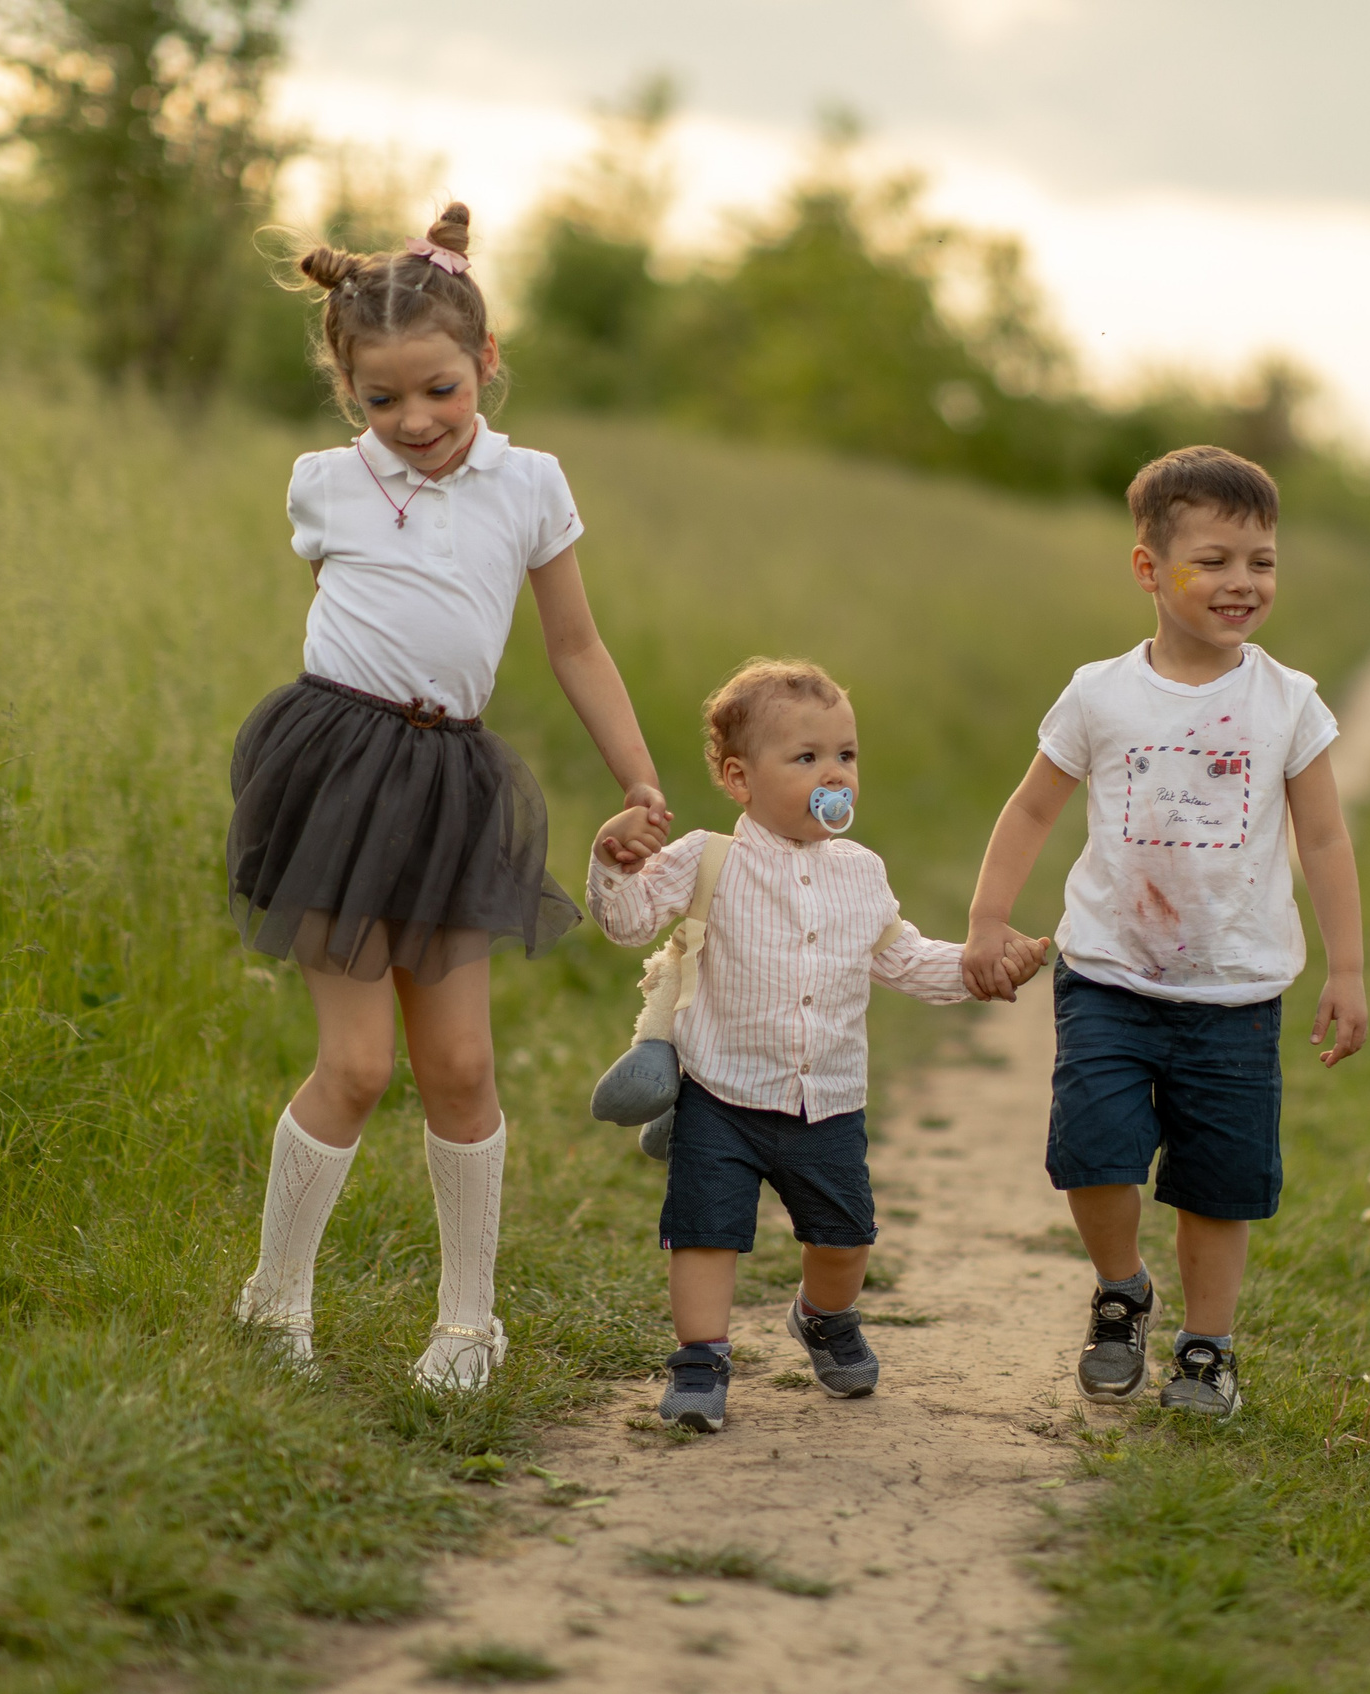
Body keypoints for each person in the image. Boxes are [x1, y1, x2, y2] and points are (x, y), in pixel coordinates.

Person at [227, 204, 671, 1391]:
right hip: (335, 773)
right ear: (347, 390)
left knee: (463, 1067)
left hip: (451, 780)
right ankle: (275, 1299)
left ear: (483, 364)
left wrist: (638, 772)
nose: (415, 420)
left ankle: (468, 1323)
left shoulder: (530, 484)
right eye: (383, 400)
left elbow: (575, 645)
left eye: (439, 391)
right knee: (360, 1064)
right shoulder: (325, 485)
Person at [959, 445, 1368, 1421]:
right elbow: (1028, 810)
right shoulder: (1101, 693)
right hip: (1107, 970)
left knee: (1218, 1186)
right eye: (1215, 559)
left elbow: (1323, 836)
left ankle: (1207, 1346)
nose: (1242, 582)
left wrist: (1345, 965)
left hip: (1234, 990)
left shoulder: (1287, 703)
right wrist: (984, 916)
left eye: (1261, 560)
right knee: (1094, 1151)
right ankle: (1121, 1290)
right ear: (1148, 568)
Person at [589, 659, 1048, 1432]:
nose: (835, 773)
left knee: (843, 1241)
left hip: (826, 1100)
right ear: (739, 778)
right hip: (721, 1094)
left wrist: (977, 969)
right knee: (705, 1233)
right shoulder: (709, 859)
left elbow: (901, 957)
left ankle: (823, 1317)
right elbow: (629, 922)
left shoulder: (862, 873)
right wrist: (612, 861)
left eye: (847, 755)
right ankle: (700, 1360)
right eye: (807, 758)